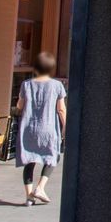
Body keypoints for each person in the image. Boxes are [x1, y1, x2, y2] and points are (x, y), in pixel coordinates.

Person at [15, 52, 66, 206]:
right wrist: (65, 127)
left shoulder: (26, 85)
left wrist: (19, 107)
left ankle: (29, 197)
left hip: (28, 128)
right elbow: (61, 109)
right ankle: (40, 187)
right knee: (52, 157)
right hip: (48, 127)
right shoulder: (57, 86)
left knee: (30, 161)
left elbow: (20, 105)